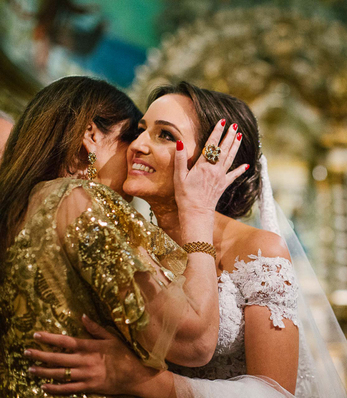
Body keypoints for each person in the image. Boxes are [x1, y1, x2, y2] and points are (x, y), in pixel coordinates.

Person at [0, 76, 244, 396]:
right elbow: (194, 341)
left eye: (162, 135)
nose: (137, 151)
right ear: (91, 135)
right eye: (132, 134)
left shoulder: (20, 207)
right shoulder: (75, 200)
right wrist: (198, 213)